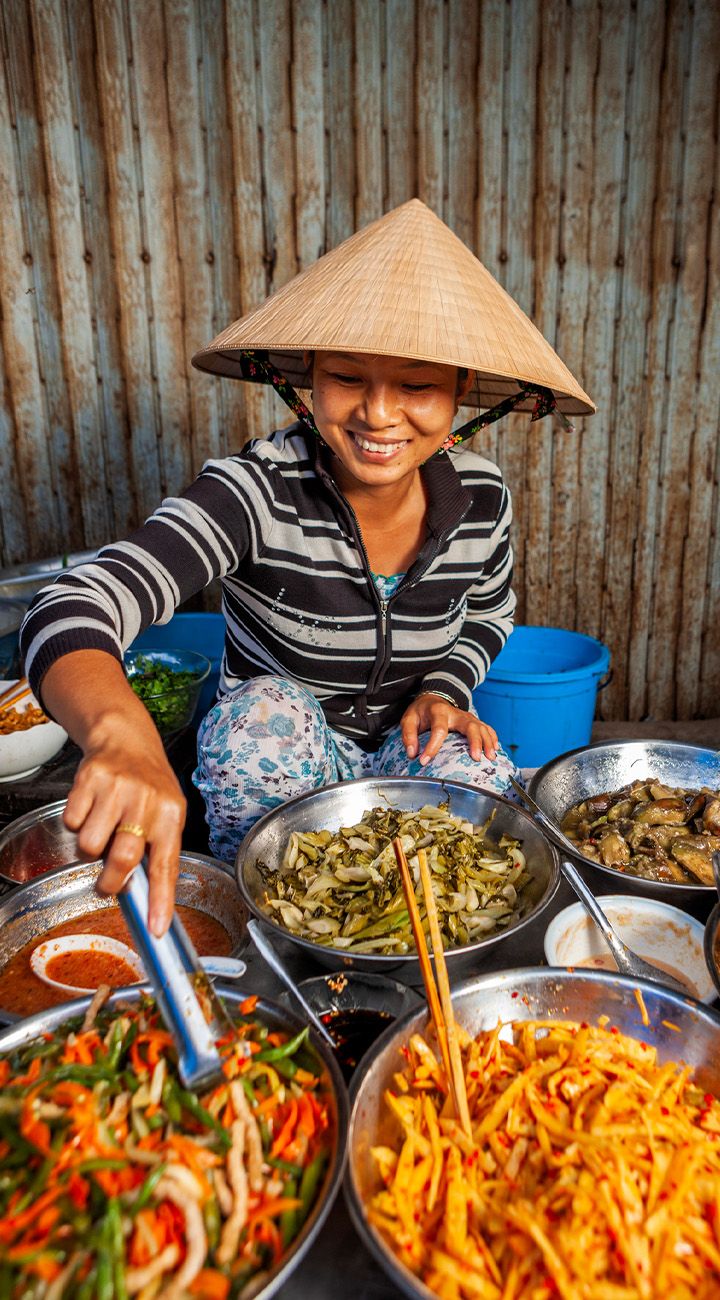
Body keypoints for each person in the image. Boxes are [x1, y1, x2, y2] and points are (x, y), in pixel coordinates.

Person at [20, 200, 593, 935]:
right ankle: (265, 930)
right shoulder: (251, 491)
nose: (379, 414)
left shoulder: (481, 497)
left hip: (403, 753)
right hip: (280, 768)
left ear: (460, 396)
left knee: (480, 772)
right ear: (306, 380)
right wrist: (118, 732)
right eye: (348, 377)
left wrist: (446, 688)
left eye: (417, 386)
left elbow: (488, 611)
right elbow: (71, 605)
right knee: (261, 718)